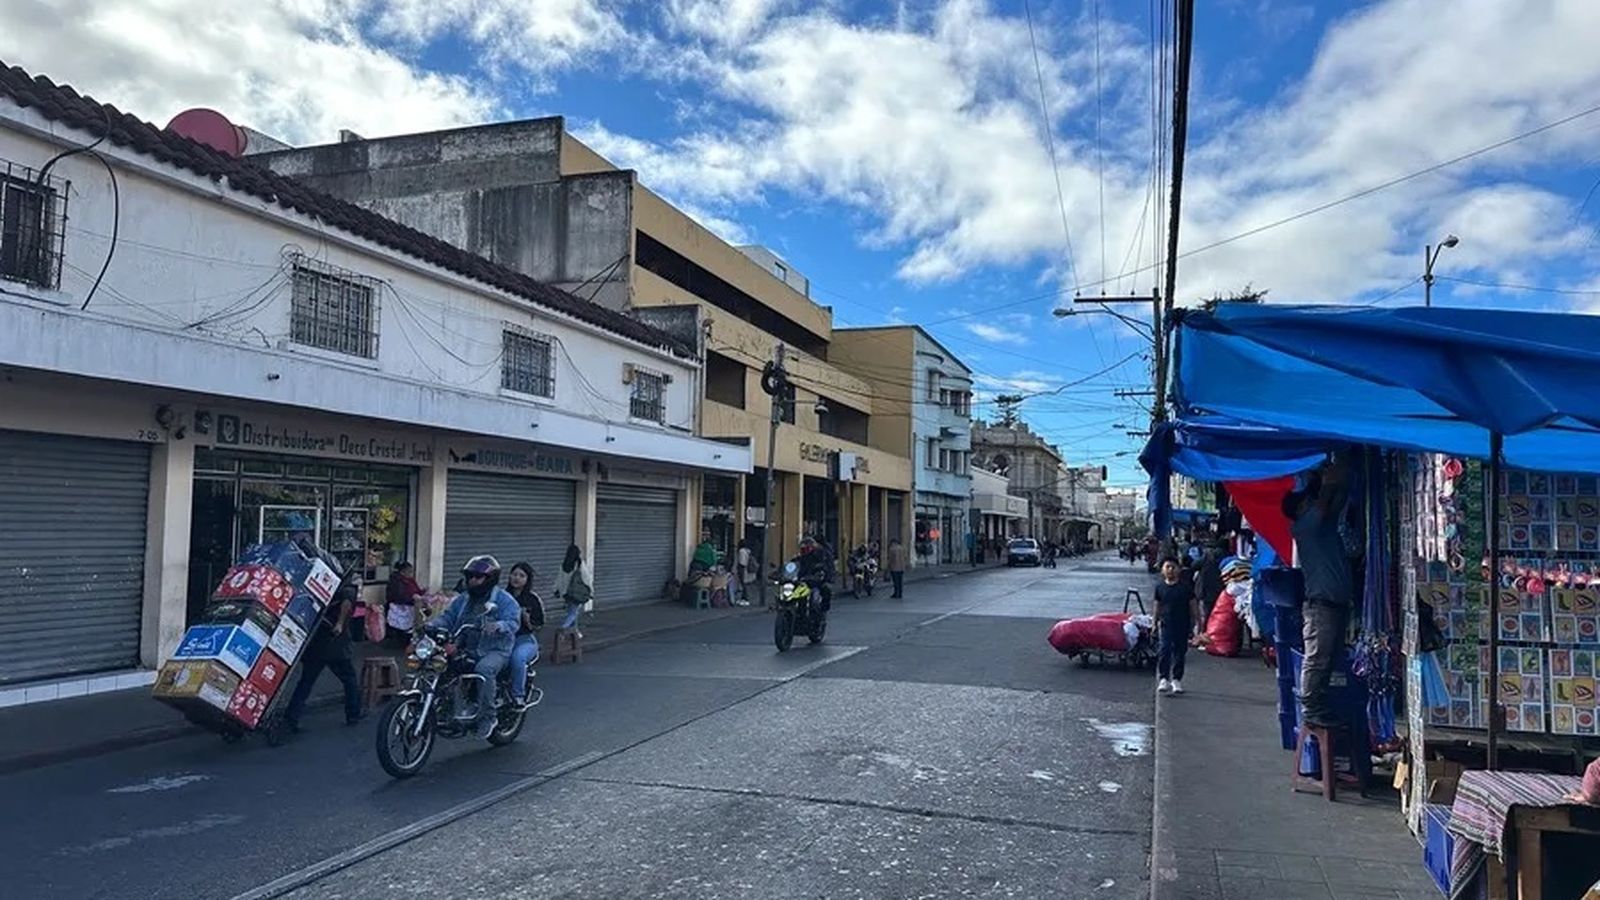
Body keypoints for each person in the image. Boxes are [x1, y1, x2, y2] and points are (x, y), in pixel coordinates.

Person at [1284, 458, 1353, 729]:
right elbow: (1325, 505)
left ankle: (1318, 705)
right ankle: (1311, 708)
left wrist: (1341, 478)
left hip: (1332, 603)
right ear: (1300, 508)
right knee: (1318, 658)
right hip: (1321, 606)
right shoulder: (1306, 526)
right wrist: (1329, 478)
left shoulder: (1318, 527)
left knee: (1327, 659)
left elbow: (1333, 506)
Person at [434, 555, 522, 739]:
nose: (473, 580)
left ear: (490, 579)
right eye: (470, 576)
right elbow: (448, 617)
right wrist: (432, 625)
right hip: (467, 646)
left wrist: (499, 626)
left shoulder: (504, 600)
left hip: (495, 650)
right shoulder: (463, 600)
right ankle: (446, 706)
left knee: (484, 669)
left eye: (477, 576)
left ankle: (488, 717)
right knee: (439, 663)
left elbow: (514, 622)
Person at [281, 570, 364, 732]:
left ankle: (291, 718)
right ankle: (353, 713)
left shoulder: (320, 589)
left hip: (315, 643)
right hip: (335, 645)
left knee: (306, 682)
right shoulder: (347, 589)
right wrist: (340, 623)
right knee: (349, 679)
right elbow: (347, 602)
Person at [1155, 556, 1200, 695]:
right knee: (1164, 650)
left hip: (1183, 625)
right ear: (1162, 570)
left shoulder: (1185, 588)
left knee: (1180, 652)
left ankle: (1176, 679)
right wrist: (1154, 622)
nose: (1170, 570)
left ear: (1179, 570)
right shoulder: (1160, 588)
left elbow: (1193, 606)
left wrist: (1198, 623)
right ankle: (1163, 678)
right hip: (1165, 624)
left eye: (1173, 567)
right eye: (1167, 567)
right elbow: (1157, 605)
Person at [506, 562, 543, 706]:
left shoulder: (532, 599)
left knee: (517, 658)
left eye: (521, 576)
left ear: (527, 579)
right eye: (514, 574)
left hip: (524, 639)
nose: (517, 578)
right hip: (502, 639)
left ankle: (518, 695)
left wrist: (527, 620)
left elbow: (538, 625)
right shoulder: (502, 596)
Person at [554, 544, 594, 637]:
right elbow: (586, 578)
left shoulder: (564, 564)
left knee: (571, 612)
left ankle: (574, 632)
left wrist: (556, 590)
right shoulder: (579, 564)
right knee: (573, 613)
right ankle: (563, 629)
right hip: (576, 593)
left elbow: (559, 578)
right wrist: (591, 591)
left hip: (566, 593)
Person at [384, 561, 425, 652]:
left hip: (412, 603)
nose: (411, 573)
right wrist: (412, 598)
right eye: (409, 571)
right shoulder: (396, 581)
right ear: (403, 571)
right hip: (402, 604)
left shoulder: (411, 580)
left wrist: (422, 593)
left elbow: (417, 590)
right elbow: (398, 596)